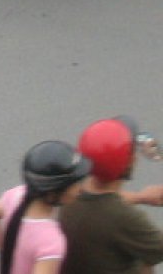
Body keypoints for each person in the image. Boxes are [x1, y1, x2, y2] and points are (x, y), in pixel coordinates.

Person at [60, 117, 163, 274]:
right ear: (131, 162)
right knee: (145, 260)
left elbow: (99, 201)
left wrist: (140, 197)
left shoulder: (68, 195)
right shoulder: (125, 218)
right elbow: (158, 249)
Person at [0, 140, 90, 274]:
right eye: (76, 183)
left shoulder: (16, 196)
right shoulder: (50, 242)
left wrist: (6, 252)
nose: (81, 188)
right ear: (54, 191)